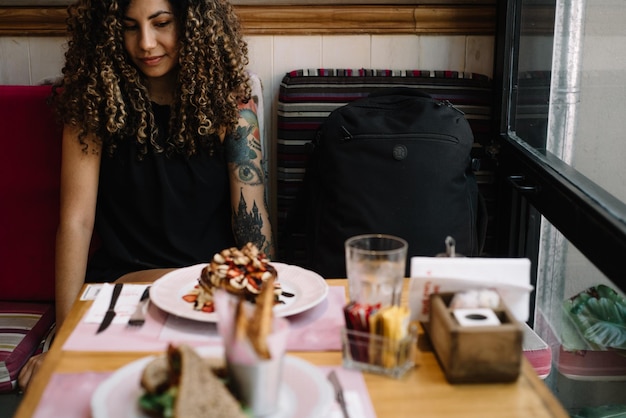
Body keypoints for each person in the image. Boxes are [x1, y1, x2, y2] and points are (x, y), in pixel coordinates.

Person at [18, 0, 273, 389]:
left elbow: (252, 230)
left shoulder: (233, 108)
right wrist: (63, 337)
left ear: (192, 25)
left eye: (162, 23)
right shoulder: (92, 104)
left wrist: (262, 315)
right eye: (129, 27)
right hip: (121, 295)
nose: (146, 43)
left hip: (207, 297)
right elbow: (76, 222)